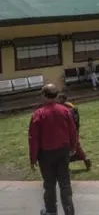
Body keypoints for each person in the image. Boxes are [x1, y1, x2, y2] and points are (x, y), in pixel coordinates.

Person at [29, 84, 77, 215]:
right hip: (63, 151)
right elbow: (73, 131)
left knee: (49, 184)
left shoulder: (38, 114)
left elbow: (33, 138)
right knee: (65, 182)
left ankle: (51, 210)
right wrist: (73, 147)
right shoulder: (65, 111)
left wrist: (33, 158)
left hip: (46, 154)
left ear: (44, 95)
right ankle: (69, 211)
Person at [57, 94, 92, 171]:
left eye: (59, 98)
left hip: (68, 130)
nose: (57, 100)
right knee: (74, 146)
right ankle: (84, 159)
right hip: (73, 129)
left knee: (70, 147)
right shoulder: (69, 106)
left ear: (63, 99)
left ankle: (85, 159)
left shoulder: (65, 107)